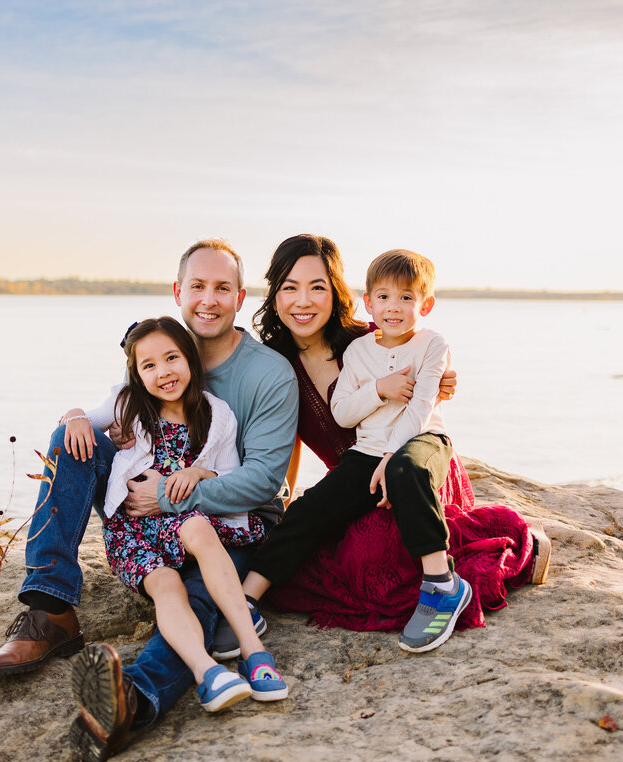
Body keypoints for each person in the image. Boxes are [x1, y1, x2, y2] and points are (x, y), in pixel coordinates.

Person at [0, 240, 298, 762]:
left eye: (222, 288)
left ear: (241, 298)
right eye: (197, 286)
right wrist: (77, 414)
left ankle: (134, 698)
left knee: (198, 596)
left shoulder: (266, 375)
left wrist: (174, 497)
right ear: (179, 292)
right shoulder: (157, 349)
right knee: (68, 441)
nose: (209, 299)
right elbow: (108, 414)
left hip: (217, 517)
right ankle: (49, 608)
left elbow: (262, 482)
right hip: (141, 518)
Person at [226, 234, 540, 647]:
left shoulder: (374, 335)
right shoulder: (275, 364)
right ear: (275, 294)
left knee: (373, 553)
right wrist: (283, 501)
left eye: (317, 287)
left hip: (412, 459)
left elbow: (424, 388)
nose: (303, 301)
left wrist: (440, 385)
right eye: (290, 287)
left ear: (338, 293)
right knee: (310, 540)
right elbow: (286, 441)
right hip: (360, 469)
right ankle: (241, 604)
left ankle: (460, 573)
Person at [98, 315, 288, 712]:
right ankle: (209, 674)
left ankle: (253, 651)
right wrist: (75, 418)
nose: (163, 372)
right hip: (135, 530)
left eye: (172, 358)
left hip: (182, 520)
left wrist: (200, 471)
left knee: (199, 527)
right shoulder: (128, 405)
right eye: (148, 366)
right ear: (136, 374)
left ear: (189, 358)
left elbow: (231, 474)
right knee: (167, 584)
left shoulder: (216, 414)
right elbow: (88, 417)